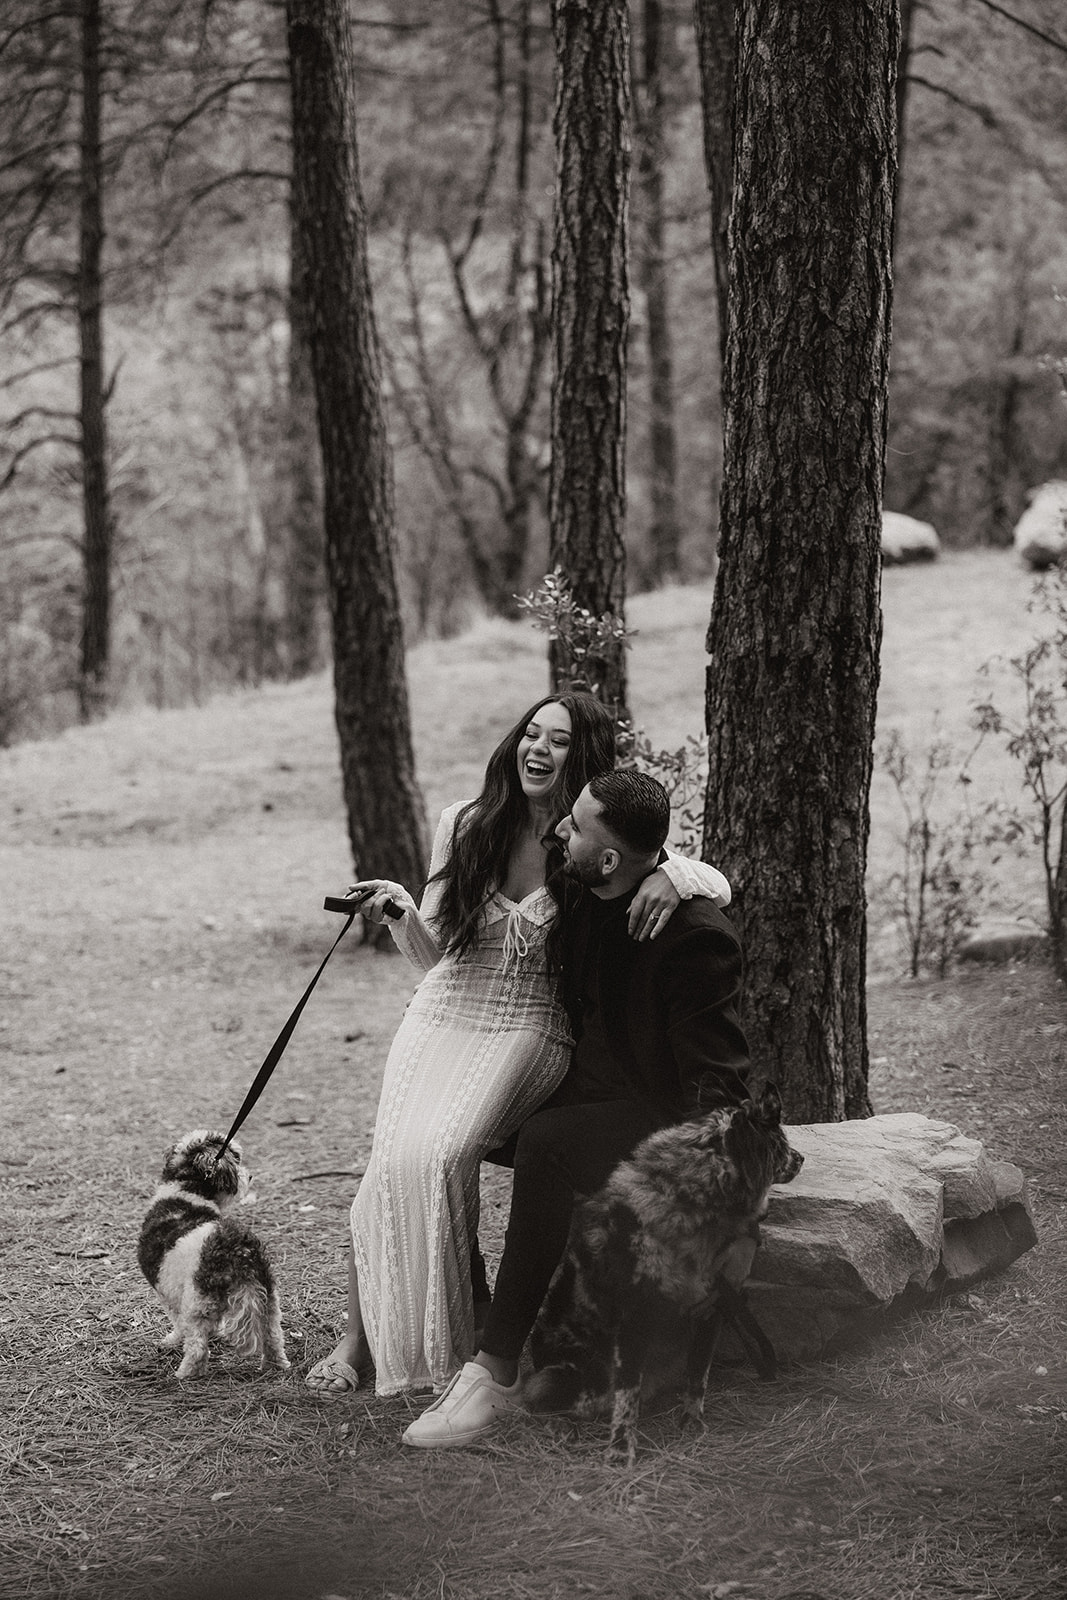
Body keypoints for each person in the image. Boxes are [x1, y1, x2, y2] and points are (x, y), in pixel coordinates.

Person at [306, 694, 732, 1399]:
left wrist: (670, 874)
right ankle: (358, 1337)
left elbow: (708, 878)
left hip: (527, 1023)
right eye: (530, 733)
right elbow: (435, 954)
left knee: (441, 1153)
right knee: (389, 1161)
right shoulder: (465, 823)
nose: (537, 749)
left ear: (583, 758)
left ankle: (458, 1337)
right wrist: (401, 914)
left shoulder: (586, 840)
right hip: (445, 1007)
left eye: (558, 741)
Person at [400, 766, 751, 1448]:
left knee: (549, 1143)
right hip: (582, 1086)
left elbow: (719, 1090)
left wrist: (705, 1197)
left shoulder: (695, 939)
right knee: (449, 1130)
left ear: (612, 856)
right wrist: (683, 868)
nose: (559, 827)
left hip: (655, 1118)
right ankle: (477, 1318)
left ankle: (493, 1372)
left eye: (577, 824)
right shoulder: (579, 885)